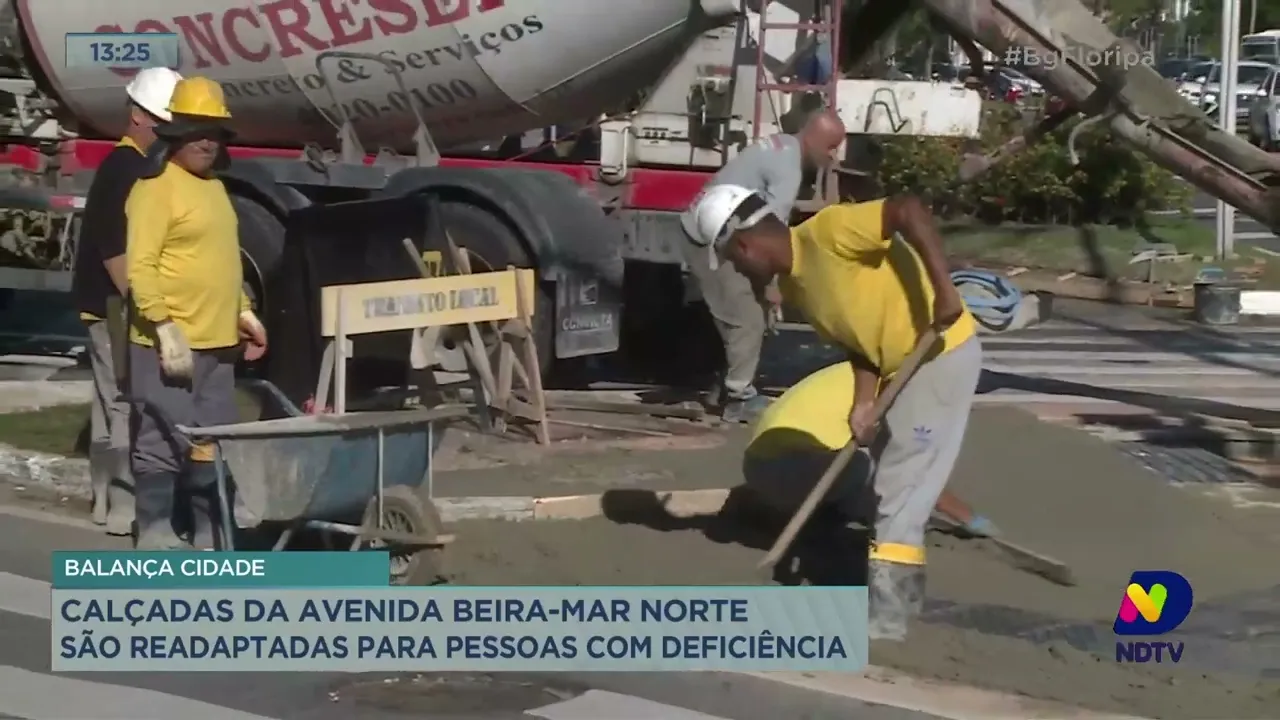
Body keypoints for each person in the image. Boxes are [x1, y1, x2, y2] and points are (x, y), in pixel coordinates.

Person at [688, 184, 981, 641]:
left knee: (899, 486)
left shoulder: (829, 232)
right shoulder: (796, 287)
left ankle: (888, 618)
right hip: (898, 370)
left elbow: (907, 208)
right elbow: (858, 344)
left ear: (745, 245)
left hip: (939, 354)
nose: (738, 271)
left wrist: (944, 290)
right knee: (892, 483)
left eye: (732, 260)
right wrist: (864, 401)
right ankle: (903, 599)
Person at [125, 76, 267, 550]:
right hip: (169, 343)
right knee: (162, 437)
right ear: (175, 134)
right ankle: (155, 529)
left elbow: (224, 261)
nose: (207, 143)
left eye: (215, 135)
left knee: (211, 439)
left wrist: (244, 313)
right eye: (197, 133)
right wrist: (163, 325)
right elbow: (141, 266)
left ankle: (210, 528)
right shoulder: (154, 189)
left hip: (217, 343)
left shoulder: (214, 189)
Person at [679, 109, 845, 423]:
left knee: (741, 315)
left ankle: (725, 385)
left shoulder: (783, 146)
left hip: (717, 227)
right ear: (814, 139)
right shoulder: (789, 170)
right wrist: (772, 286)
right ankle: (739, 398)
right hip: (714, 237)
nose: (833, 157)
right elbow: (769, 238)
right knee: (749, 318)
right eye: (831, 147)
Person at [72, 67, 183, 536]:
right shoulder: (126, 168)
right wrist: (141, 305)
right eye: (162, 121)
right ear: (137, 115)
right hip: (114, 305)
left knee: (108, 400)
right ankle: (123, 502)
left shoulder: (135, 165)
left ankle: (102, 499)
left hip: (105, 302)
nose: (168, 132)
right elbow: (114, 246)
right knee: (124, 400)